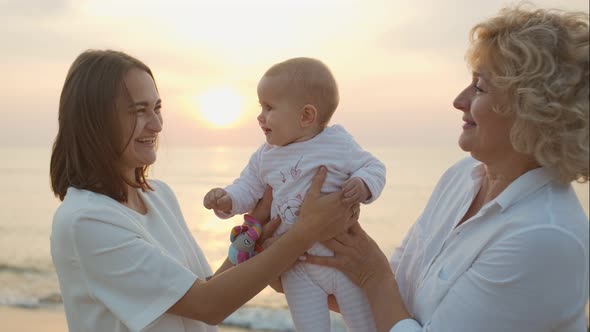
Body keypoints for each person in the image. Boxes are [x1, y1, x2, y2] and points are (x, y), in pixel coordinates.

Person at [307, 5, 589, 332]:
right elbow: (395, 300)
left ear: (532, 109)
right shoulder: (462, 176)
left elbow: (380, 285)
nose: (459, 100)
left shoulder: (545, 238)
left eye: (480, 87)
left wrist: (371, 271)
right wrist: (293, 259)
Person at [49, 49, 360, 332]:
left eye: (157, 108)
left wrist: (253, 238)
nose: (157, 124)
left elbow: (205, 289)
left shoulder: (158, 195)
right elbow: (208, 305)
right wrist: (304, 234)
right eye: (139, 110)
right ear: (96, 121)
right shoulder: (85, 221)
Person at [203, 57, 386, 331]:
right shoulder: (266, 156)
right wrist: (227, 200)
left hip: (342, 258)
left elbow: (374, 166)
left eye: (269, 107)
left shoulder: (338, 142)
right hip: (295, 266)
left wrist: (363, 184)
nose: (260, 116)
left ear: (306, 116)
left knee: (366, 325)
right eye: (260, 107)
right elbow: (248, 188)